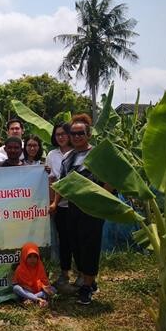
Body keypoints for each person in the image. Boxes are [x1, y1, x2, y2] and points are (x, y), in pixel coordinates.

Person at [50, 114, 105, 305]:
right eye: (73, 133)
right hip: (73, 207)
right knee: (76, 245)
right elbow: (62, 184)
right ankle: (88, 279)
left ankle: (86, 287)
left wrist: (103, 199)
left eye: (81, 133)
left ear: (88, 134)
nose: (76, 136)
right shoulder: (67, 158)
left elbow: (110, 180)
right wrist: (56, 202)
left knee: (89, 246)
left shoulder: (98, 155)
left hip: (92, 208)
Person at [45, 124, 74, 290]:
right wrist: (52, 203)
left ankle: (84, 275)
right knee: (64, 240)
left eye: (63, 134)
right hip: (60, 205)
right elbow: (51, 180)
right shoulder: (52, 155)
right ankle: (64, 274)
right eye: (57, 135)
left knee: (78, 240)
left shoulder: (77, 152)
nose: (60, 137)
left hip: (77, 204)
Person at [12, 242, 56, 308]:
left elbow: (44, 281)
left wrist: (45, 287)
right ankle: (38, 299)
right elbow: (18, 283)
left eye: (35, 256)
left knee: (53, 289)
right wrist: (25, 286)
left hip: (38, 291)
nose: (32, 259)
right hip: (26, 291)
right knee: (16, 288)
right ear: (24, 256)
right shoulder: (20, 268)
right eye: (29, 256)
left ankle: (30, 299)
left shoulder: (40, 266)